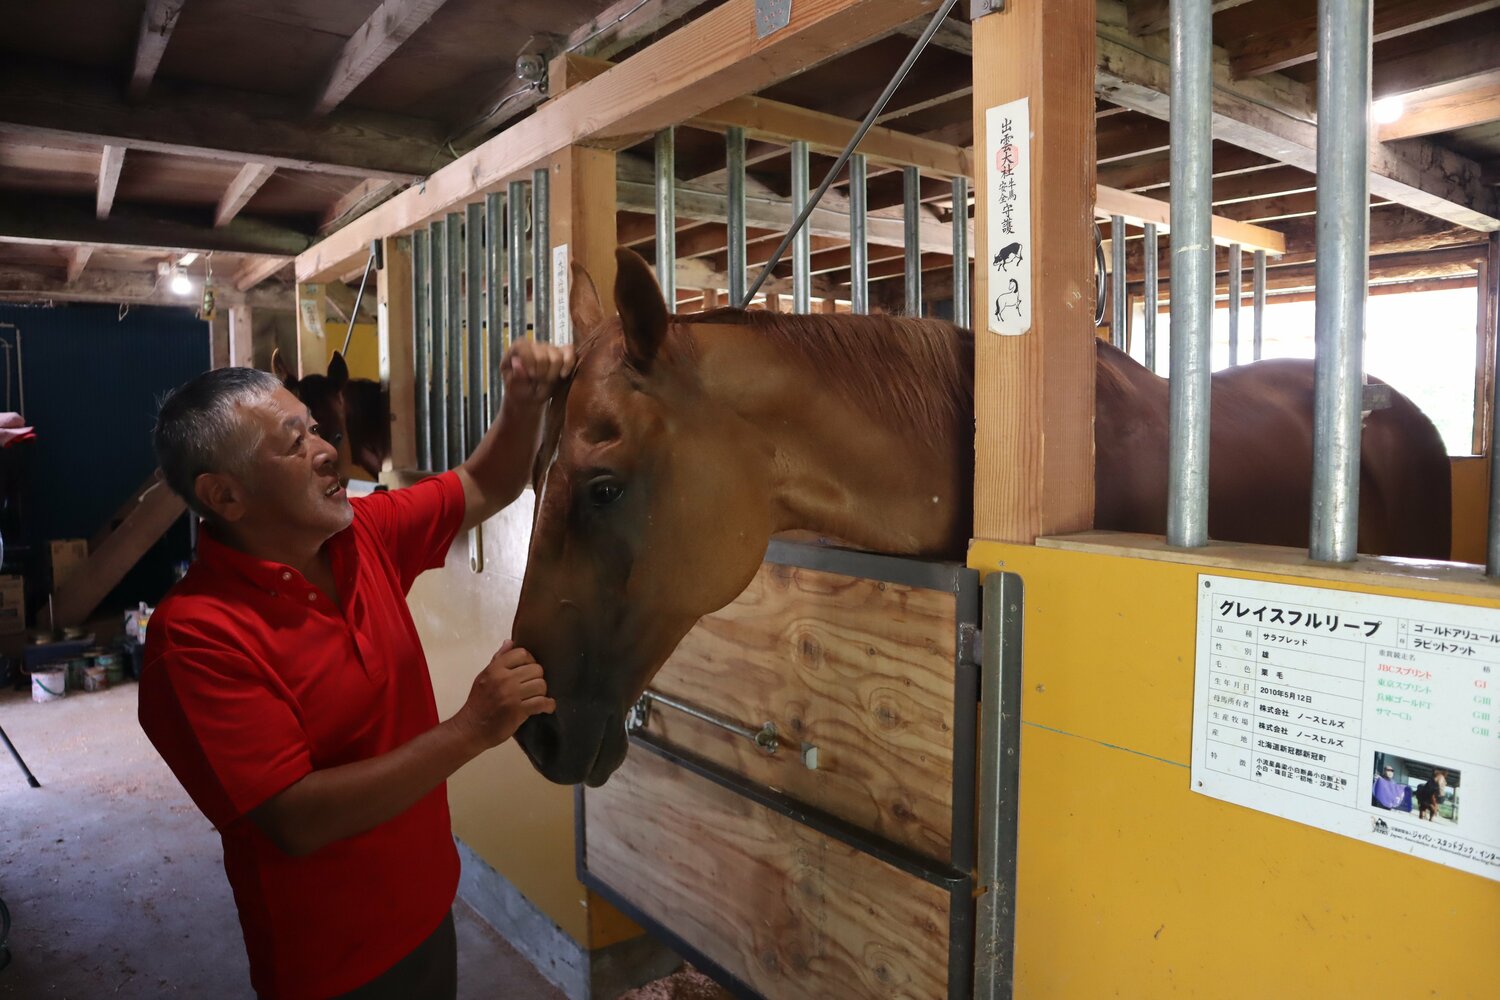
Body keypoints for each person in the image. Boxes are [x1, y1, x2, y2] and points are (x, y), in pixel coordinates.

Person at [138, 341, 573, 999]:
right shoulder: (196, 637)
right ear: (224, 495)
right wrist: (472, 729)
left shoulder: (360, 533)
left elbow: (486, 484)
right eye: (293, 443)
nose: (325, 450)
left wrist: (522, 403)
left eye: (315, 428)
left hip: (428, 909)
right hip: (331, 963)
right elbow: (296, 816)